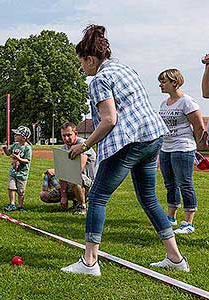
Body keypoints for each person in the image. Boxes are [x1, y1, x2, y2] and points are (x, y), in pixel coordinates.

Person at [61, 25, 189, 276]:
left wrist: (84, 144)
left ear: (90, 58)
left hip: (129, 141)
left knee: (97, 197)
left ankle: (89, 262)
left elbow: (109, 119)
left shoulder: (99, 79)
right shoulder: (125, 69)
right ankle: (175, 258)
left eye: (81, 63)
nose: (81, 68)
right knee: (149, 198)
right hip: (152, 138)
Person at [157, 69, 204, 234]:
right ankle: (171, 217)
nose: (160, 85)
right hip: (166, 148)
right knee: (170, 184)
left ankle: (188, 223)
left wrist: (194, 145)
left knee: (185, 183)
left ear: (174, 82)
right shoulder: (164, 103)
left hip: (183, 148)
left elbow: (199, 126)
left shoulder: (187, 102)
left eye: (164, 81)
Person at [40, 122, 96, 215]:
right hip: (73, 182)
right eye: (64, 135)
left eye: (69, 135)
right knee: (44, 196)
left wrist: (57, 171)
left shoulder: (83, 145)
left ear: (76, 134)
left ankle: (82, 206)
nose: (66, 138)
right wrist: (63, 196)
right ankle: (75, 200)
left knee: (74, 179)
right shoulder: (63, 148)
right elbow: (63, 176)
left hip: (89, 185)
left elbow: (77, 170)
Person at [2, 126, 32, 212]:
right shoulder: (15, 145)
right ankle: (12, 204)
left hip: (22, 174)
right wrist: (5, 148)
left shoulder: (27, 148)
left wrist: (19, 158)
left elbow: (27, 161)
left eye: (17, 134)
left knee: (21, 191)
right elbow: (8, 153)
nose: (15, 135)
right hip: (13, 172)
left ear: (24, 137)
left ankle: (20, 206)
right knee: (11, 188)